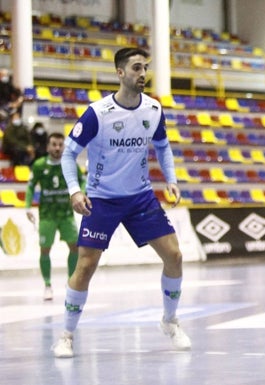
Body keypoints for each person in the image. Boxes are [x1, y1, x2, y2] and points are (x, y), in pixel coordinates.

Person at [52, 47, 191, 358]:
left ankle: (170, 321)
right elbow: (68, 153)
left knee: (175, 256)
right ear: (120, 73)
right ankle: (65, 335)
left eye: (145, 68)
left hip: (140, 197)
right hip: (101, 199)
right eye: (136, 68)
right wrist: (75, 190)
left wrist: (171, 180)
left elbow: (163, 147)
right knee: (85, 265)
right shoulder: (97, 113)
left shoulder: (153, 110)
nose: (143, 74)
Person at [25, 132, 84, 301]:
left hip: (66, 214)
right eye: (54, 144)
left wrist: (81, 193)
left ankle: (70, 282)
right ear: (48, 147)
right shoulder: (38, 165)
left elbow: (83, 180)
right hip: (46, 215)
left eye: (60, 144)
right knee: (45, 249)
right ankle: (47, 285)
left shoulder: (70, 163)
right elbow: (30, 187)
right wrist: (28, 207)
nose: (57, 148)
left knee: (75, 247)